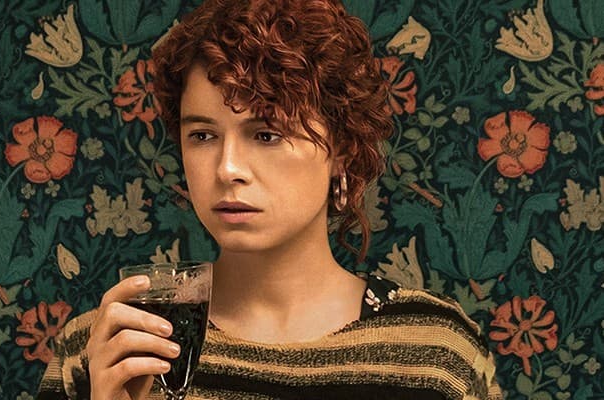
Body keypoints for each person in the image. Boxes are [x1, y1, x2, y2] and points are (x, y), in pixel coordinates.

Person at [36, 0, 503, 399]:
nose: (227, 168)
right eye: (202, 135)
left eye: (266, 134)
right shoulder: (110, 348)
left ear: (340, 149)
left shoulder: (436, 353)